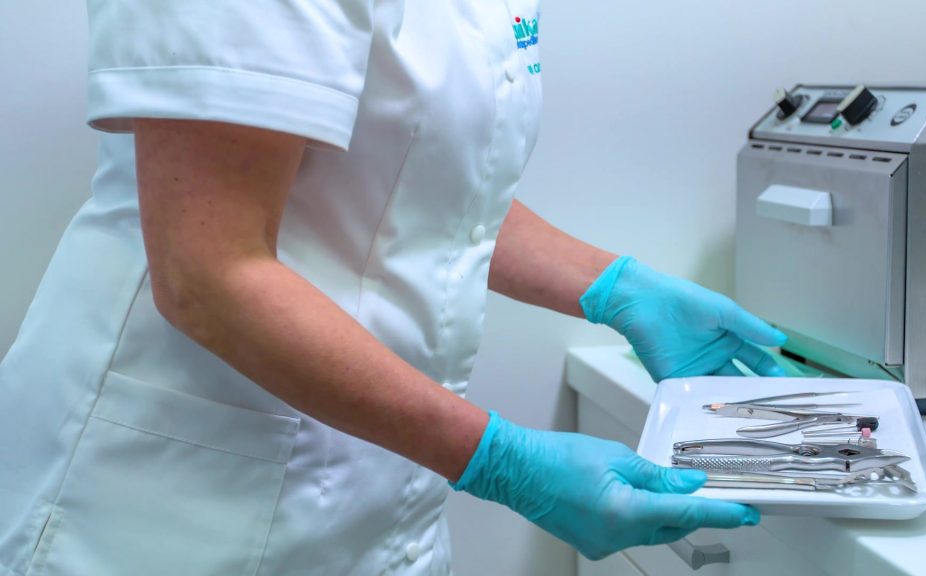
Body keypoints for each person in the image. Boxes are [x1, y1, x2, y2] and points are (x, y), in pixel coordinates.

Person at [0, 1, 787, 574]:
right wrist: (501, 460)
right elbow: (208, 273)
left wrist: (614, 286)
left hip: (376, 484)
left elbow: (415, 180)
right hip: (173, 497)